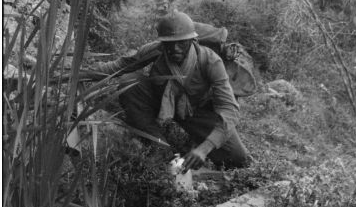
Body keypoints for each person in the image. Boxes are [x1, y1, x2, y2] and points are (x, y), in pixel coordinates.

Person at [90, 11, 250, 171]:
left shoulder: (210, 61)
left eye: (181, 43)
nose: (175, 49)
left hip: (197, 112)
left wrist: (204, 148)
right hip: (162, 104)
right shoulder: (155, 50)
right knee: (129, 81)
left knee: (239, 159)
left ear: (192, 40)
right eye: (169, 43)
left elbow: (229, 110)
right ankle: (159, 145)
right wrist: (77, 73)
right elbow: (120, 66)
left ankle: (195, 145)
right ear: (162, 42)